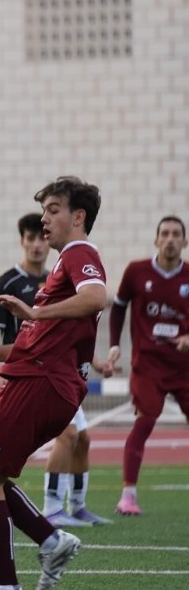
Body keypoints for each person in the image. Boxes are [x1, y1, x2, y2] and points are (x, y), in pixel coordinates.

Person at [0, 176, 105, 590]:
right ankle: (51, 539)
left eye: (53, 209)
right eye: (44, 210)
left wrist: (36, 310)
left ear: (78, 216)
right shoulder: (63, 264)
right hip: (38, 379)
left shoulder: (80, 254)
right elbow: (46, 336)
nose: (45, 219)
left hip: (41, 384)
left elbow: (97, 298)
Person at [0, 213, 109, 528]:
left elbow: (65, 333)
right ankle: (52, 511)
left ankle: (73, 508)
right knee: (66, 436)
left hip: (55, 373)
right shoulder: (8, 281)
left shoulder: (61, 275)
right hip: (28, 377)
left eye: (41, 236)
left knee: (81, 439)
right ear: (22, 240)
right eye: (31, 237)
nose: (38, 243)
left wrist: (97, 362)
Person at [100, 215, 189, 516]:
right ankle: (128, 496)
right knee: (145, 421)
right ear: (156, 240)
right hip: (148, 365)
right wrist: (115, 346)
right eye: (165, 233)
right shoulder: (136, 272)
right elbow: (118, 308)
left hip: (184, 368)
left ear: (185, 242)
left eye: (176, 234)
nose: (170, 239)